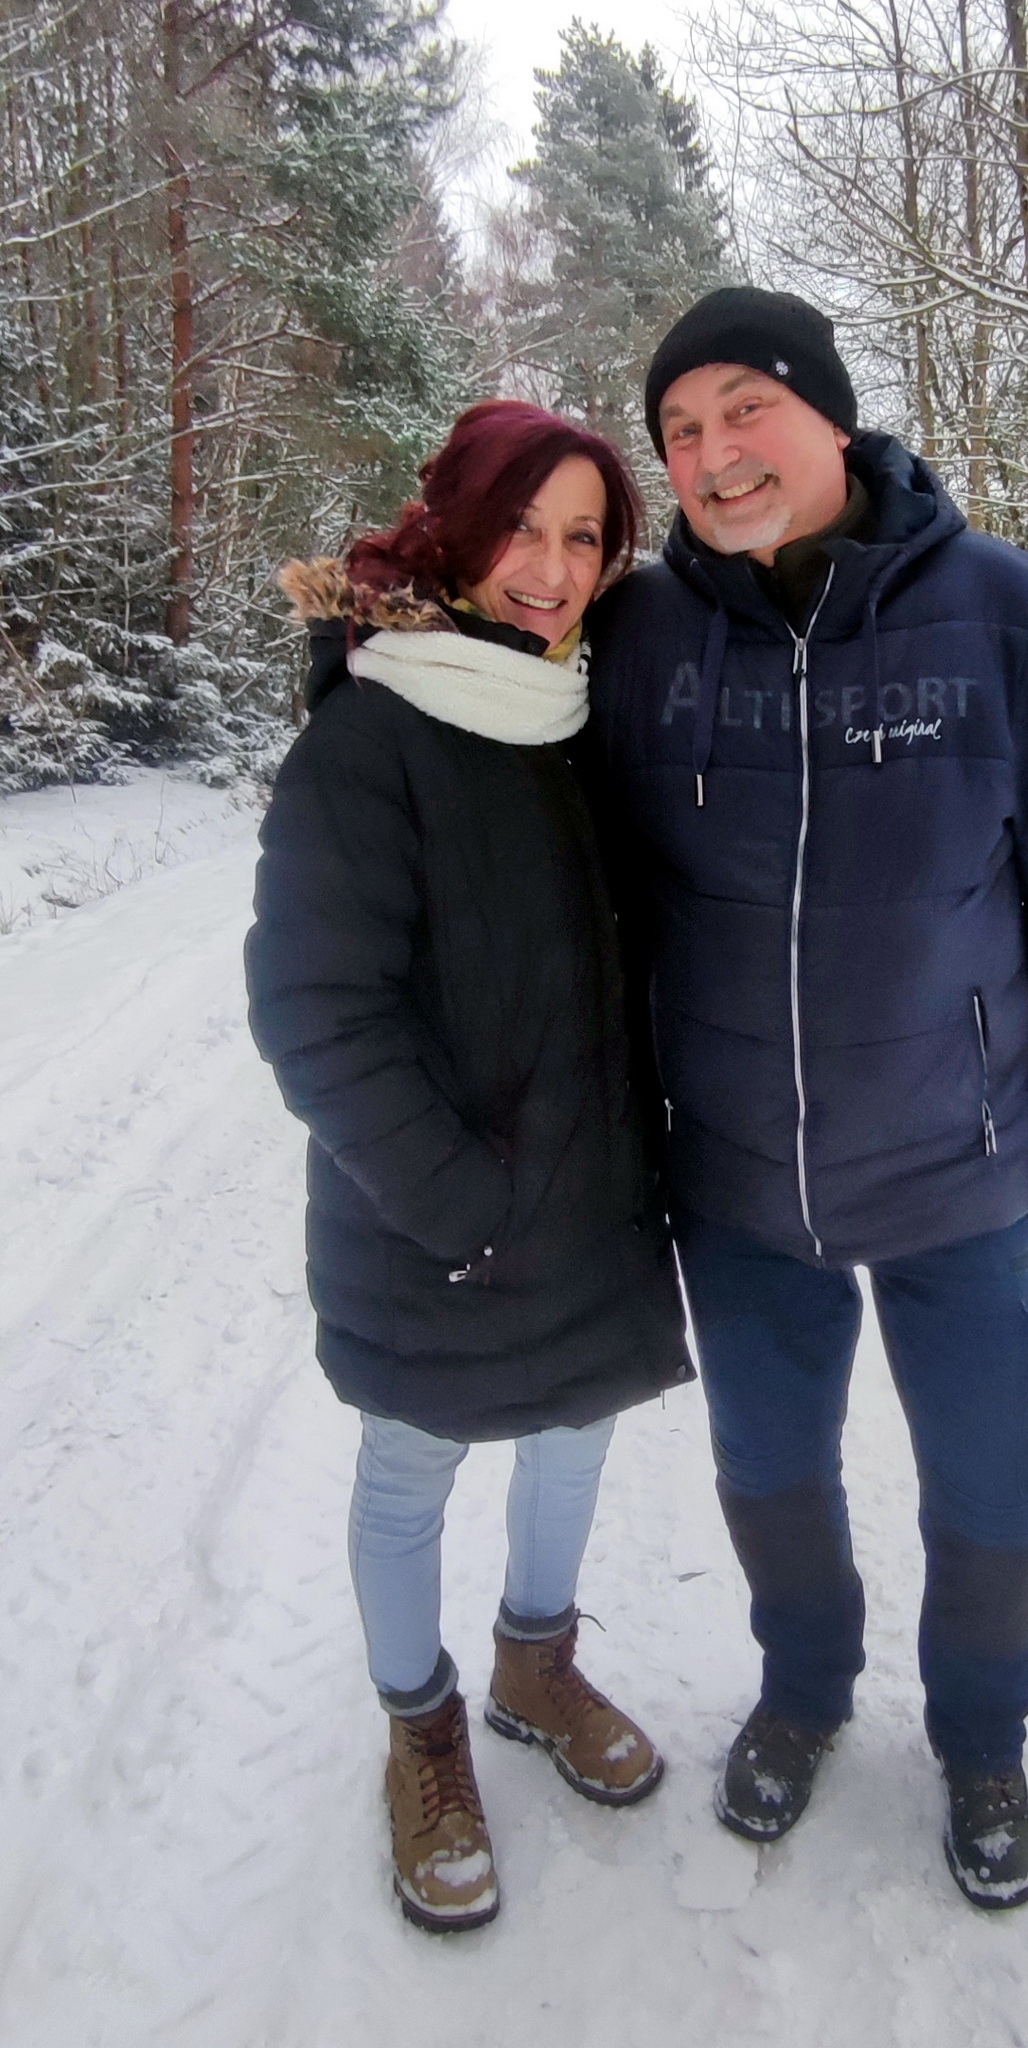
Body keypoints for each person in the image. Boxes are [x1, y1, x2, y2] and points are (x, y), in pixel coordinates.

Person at [584, 288, 1028, 1909]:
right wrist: (363, 646)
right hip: (738, 1174)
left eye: (743, 409)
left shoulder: (997, 610)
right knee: (770, 1469)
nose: (712, 454)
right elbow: (514, 788)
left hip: (960, 1164)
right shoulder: (643, 634)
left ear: (830, 414)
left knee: (994, 1481)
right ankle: (804, 1690)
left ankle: (982, 1740)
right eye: (680, 430)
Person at [245, 400, 692, 1934]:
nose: (550, 570)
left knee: (575, 1436)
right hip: (435, 1221)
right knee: (410, 1472)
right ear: (453, 530)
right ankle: (421, 1730)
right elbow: (316, 1013)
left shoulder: (580, 720)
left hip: (592, 1201)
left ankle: (533, 1667)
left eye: (584, 538)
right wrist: (460, 1206)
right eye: (520, 529)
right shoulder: (372, 737)